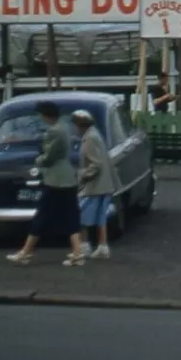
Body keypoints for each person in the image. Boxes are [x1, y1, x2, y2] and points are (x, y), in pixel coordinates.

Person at [7, 101, 86, 266]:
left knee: (42, 215)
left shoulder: (54, 131)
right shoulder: (64, 127)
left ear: (45, 115)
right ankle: (78, 252)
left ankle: (26, 252)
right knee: (71, 215)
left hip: (55, 179)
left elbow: (49, 156)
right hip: (67, 178)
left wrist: (38, 160)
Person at [72, 109, 118, 260]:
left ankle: (85, 245)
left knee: (80, 215)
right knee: (100, 217)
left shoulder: (89, 139)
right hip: (104, 184)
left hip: (93, 186)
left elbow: (96, 164)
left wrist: (81, 174)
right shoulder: (95, 134)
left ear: (80, 124)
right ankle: (102, 246)